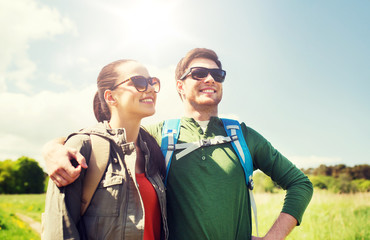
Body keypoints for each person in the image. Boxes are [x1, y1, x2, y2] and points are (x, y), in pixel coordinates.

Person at [43, 48, 313, 240]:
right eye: (199, 73)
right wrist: (52, 148)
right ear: (180, 86)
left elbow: (300, 183)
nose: (210, 79)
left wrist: (273, 237)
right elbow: (106, 138)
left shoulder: (244, 137)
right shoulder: (157, 135)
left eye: (217, 74)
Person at [42, 59, 169, 240]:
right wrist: (51, 147)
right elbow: (60, 232)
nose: (149, 88)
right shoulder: (81, 148)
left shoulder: (154, 150)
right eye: (139, 82)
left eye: (152, 82)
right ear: (110, 97)